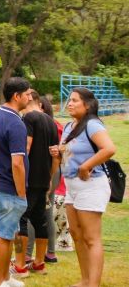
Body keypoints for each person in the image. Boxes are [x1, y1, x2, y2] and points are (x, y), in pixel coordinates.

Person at [54, 88, 116, 287]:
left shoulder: (92, 124)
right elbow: (69, 152)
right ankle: (85, 280)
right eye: (68, 100)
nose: (69, 103)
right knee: (77, 235)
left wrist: (86, 165)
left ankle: (93, 284)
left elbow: (109, 149)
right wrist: (58, 152)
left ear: (87, 105)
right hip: (72, 186)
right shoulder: (69, 126)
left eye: (74, 100)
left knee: (91, 238)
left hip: (91, 185)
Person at [0, 77, 32, 287]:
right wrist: (21, 193)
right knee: (4, 235)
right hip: (9, 188)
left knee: (11, 233)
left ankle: (5, 278)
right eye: (27, 93)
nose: (30, 97)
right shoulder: (15, 123)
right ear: (16, 96)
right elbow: (17, 163)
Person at [11, 90, 59, 279]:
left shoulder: (29, 118)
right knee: (40, 221)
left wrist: (18, 174)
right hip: (43, 179)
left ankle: (20, 264)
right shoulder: (50, 121)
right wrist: (49, 177)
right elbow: (55, 156)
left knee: (19, 220)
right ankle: (39, 263)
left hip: (29, 179)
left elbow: (26, 148)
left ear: (29, 97)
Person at [26, 96, 69, 263]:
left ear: (40, 106)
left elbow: (58, 151)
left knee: (32, 212)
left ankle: (28, 254)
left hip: (46, 172)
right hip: (51, 171)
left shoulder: (38, 122)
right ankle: (49, 253)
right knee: (46, 211)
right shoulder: (54, 123)